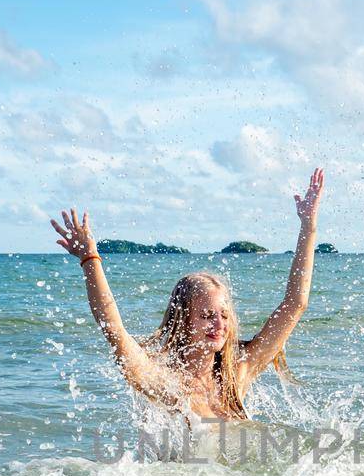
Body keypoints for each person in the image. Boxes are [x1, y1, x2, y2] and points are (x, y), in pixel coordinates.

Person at [50, 168, 325, 421]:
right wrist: (90, 259)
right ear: (183, 321)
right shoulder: (164, 381)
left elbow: (295, 305)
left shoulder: (238, 373)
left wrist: (308, 226)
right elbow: (115, 331)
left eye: (224, 315)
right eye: (207, 316)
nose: (219, 325)